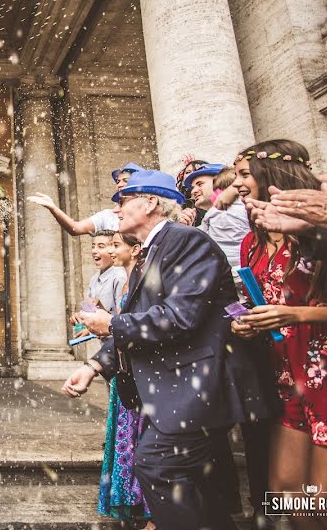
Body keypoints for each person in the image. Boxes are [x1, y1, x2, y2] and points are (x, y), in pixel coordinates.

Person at [62, 170, 275, 530]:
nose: (117, 209)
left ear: (150, 204)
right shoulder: (153, 249)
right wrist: (96, 365)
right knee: (197, 484)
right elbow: (142, 318)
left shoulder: (188, 241)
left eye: (124, 201)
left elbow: (180, 317)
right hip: (178, 386)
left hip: (199, 384)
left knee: (157, 464)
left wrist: (110, 324)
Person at [231, 140, 327, 525]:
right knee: (284, 493)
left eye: (245, 174)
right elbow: (261, 298)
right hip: (285, 374)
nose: (237, 183)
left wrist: (293, 314)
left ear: (270, 174)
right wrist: (247, 321)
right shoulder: (252, 242)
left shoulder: (324, 234)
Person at [94, 232, 152, 526]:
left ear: (135, 249)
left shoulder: (143, 281)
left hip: (143, 374)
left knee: (141, 442)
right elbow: (118, 323)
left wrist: (108, 324)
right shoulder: (125, 281)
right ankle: (134, 502)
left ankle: (153, 513)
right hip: (124, 371)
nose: (109, 251)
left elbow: (130, 325)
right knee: (126, 439)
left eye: (116, 245)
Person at [27, 162, 143, 235]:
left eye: (125, 181)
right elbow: (75, 228)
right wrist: (53, 208)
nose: (119, 184)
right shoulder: (108, 216)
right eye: (118, 181)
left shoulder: (148, 213)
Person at [185, 163, 250, 267]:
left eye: (200, 184)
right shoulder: (213, 216)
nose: (193, 192)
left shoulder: (228, 213)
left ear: (219, 182)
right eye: (192, 188)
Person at [84, 231, 127, 313]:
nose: (94, 251)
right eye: (93, 246)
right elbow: (87, 309)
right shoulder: (94, 278)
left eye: (100, 246)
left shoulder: (119, 277)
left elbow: (123, 319)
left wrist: (100, 307)